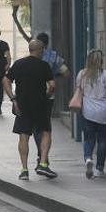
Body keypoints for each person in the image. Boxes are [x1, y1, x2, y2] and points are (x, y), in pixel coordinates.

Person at [3, 39, 57, 180]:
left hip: (22, 105)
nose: (43, 53)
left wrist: (13, 99)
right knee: (46, 132)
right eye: (42, 51)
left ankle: (24, 170)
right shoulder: (44, 66)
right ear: (39, 50)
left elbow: (6, 80)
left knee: (23, 136)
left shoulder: (19, 64)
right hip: (40, 104)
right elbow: (52, 85)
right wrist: (47, 96)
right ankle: (43, 163)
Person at [77, 49, 106, 179]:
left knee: (89, 139)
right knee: (103, 140)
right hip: (104, 112)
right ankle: (99, 169)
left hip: (88, 112)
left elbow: (79, 90)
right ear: (101, 61)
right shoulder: (105, 74)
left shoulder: (82, 74)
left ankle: (88, 158)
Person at [33, 32, 69, 165]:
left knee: (36, 127)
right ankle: (44, 155)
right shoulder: (54, 57)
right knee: (46, 127)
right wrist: (54, 75)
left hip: (36, 95)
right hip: (50, 96)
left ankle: (40, 154)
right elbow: (66, 72)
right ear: (48, 43)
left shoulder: (35, 56)